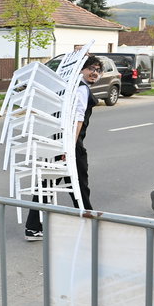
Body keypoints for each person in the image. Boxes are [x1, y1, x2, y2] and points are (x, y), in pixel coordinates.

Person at [24, 54, 102, 241]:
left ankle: (33, 227)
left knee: (49, 185)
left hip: (56, 140)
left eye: (98, 70)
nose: (94, 73)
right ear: (82, 69)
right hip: (69, 144)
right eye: (91, 68)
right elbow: (78, 118)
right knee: (78, 182)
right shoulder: (81, 89)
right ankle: (87, 220)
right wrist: (69, 147)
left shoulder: (69, 84)